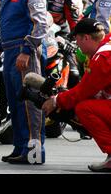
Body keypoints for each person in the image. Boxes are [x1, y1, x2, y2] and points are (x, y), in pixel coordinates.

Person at [0, 0, 48, 164]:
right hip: (11, 51)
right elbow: (10, 24)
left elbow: (41, 24)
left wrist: (26, 50)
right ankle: (20, 148)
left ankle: (34, 154)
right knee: (15, 103)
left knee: (30, 105)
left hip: (26, 53)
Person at [42, 18, 111, 172]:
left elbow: (83, 91)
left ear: (86, 37)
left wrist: (56, 101)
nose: (76, 44)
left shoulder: (103, 57)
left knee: (85, 108)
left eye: (77, 39)